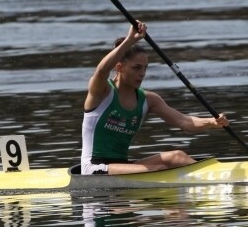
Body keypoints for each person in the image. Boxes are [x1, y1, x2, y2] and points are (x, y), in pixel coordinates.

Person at [81, 21, 229, 175]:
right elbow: (101, 71)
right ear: (119, 68)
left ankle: (219, 177)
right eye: (137, 68)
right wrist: (130, 40)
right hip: (94, 167)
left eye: (145, 68)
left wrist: (212, 122)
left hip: (122, 166)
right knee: (158, 170)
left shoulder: (148, 99)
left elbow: (184, 122)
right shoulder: (102, 91)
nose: (142, 73)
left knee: (177, 157)